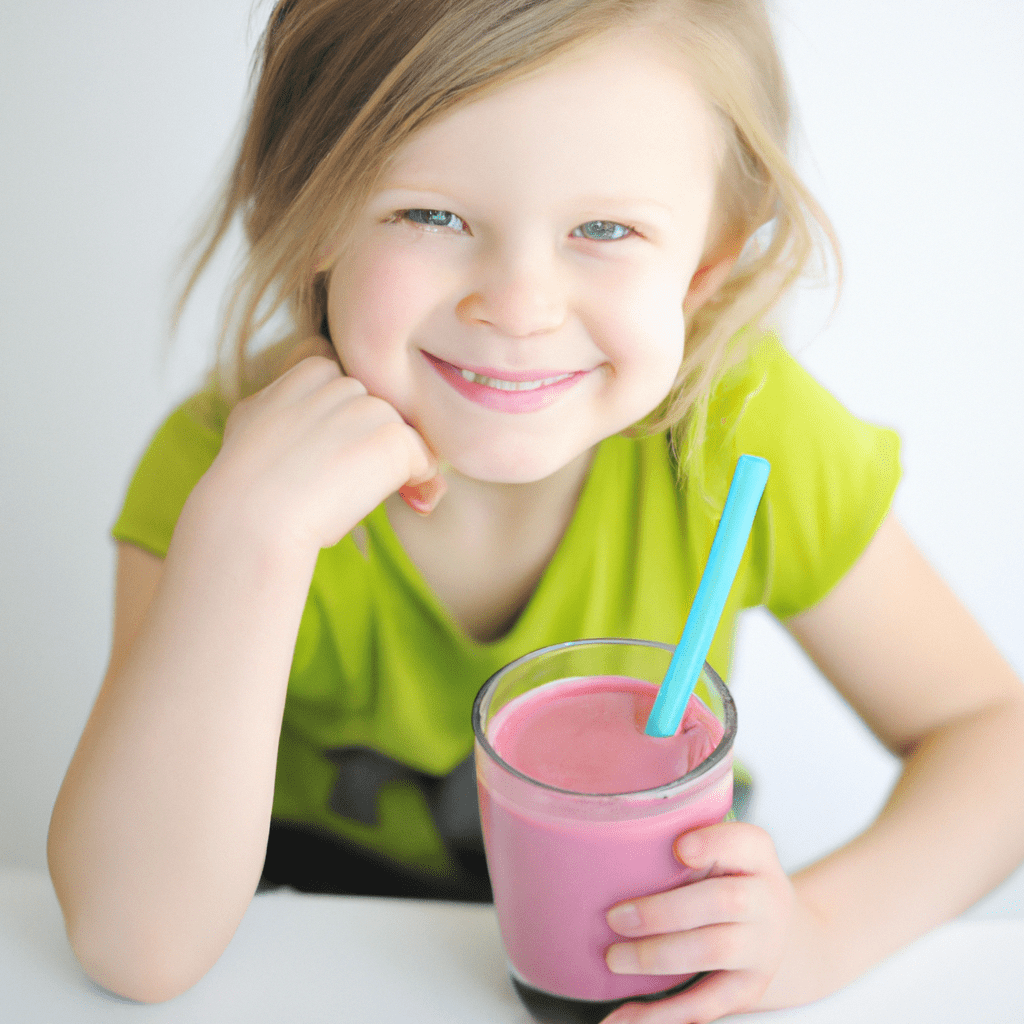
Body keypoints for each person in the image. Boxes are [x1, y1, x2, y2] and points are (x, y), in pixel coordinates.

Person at [46, 0, 1024, 1020]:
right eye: (431, 214)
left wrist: (820, 930)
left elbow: (993, 736)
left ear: (704, 264)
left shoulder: (744, 436)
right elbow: (134, 944)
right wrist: (248, 538)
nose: (518, 305)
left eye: (603, 228)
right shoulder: (224, 478)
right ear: (308, 213)